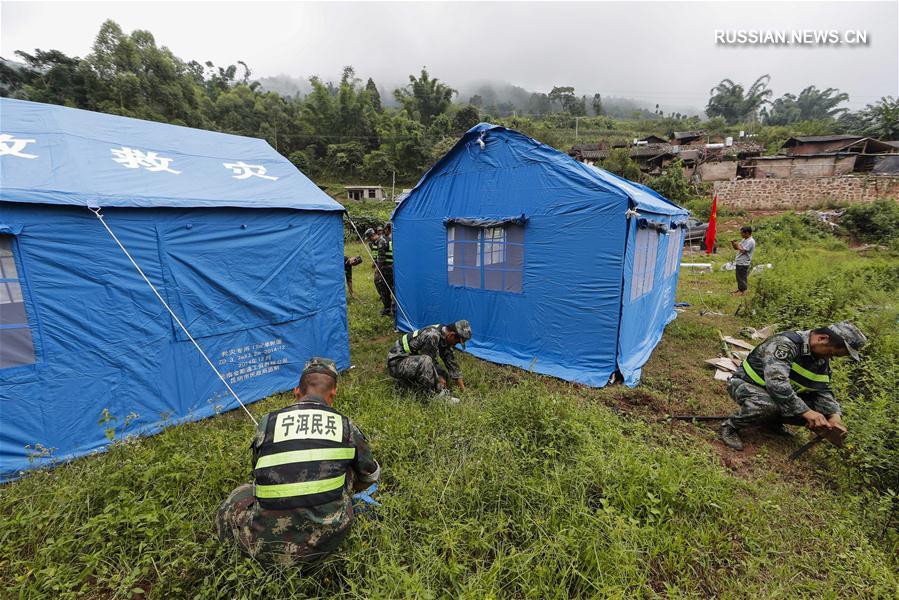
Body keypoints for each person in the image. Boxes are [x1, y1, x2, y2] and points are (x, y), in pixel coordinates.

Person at [215, 358, 380, 566]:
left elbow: (257, 473)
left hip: (265, 546)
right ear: (333, 394)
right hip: (328, 541)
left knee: (242, 493)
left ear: (296, 391)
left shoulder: (268, 423)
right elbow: (370, 476)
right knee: (349, 468)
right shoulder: (345, 426)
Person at [719, 322, 867, 451]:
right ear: (822, 339)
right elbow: (776, 384)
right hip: (746, 384)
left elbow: (822, 390)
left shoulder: (820, 359)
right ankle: (730, 427)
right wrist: (806, 412)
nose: (831, 358)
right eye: (832, 353)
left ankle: (770, 422)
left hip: (776, 394)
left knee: (822, 412)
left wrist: (835, 415)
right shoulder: (785, 344)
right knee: (769, 405)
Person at [387, 320, 472, 402]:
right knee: (426, 361)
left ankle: (410, 382)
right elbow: (428, 364)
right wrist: (438, 381)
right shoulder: (433, 336)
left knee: (443, 373)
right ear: (452, 335)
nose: (455, 345)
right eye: (456, 342)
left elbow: (452, 364)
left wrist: (463, 390)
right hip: (397, 362)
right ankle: (435, 396)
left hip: (410, 359)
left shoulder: (444, 334)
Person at [364, 228, 391, 315]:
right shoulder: (378, 242)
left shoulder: (381, 242)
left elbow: (382, 258)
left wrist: (377, 270)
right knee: (386, 287)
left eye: (369, 238)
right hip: (387, 267)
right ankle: (389, 307)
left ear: (372, 236)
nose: (369, 240)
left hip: (387, 268)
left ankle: (388, 309)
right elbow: (377, 256)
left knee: (384, 288)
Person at [730, 226, 756, 296]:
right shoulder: (744, 240)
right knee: (739, 277)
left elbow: (743, 250)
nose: (741, 234)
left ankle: (743, 291)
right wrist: (733, 244)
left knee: (742, 277)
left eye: (742, 233)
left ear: (747, 233)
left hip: (744, 262)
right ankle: (740, 289)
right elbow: (737, 248)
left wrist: (737, 245)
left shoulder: (751, 241)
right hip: (740, 261)